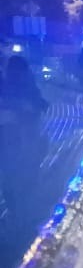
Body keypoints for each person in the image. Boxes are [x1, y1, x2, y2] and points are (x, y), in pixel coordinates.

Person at [0, 55, 50, 219]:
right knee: (21, 176)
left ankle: (19, 212)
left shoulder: (13, 86)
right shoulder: (20, 87)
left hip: (20, 142)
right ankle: (23, 212)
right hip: (19, 142)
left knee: (17, 176)